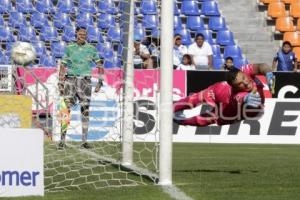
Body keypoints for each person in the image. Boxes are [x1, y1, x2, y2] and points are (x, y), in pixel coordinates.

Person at [173, 63, 274, 126]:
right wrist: (246, 99)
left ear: (244, 73)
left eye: (244, 78)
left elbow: (262, 66)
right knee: (196, 98)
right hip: (221, 91)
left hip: (228, 112)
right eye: (240, 84)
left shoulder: (245, 70)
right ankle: (172, 107)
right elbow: (239, 99)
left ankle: (181, 121)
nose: (246, 83)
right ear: (235, 87)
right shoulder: (238, 94)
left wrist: (269, 74)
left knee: (205, 120)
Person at [58, 27, 104, 149]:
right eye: (80, 34)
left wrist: (100, 81)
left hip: (85, 81)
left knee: (85, 110)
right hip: (71, 80)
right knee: (65, 109)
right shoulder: (69, 48)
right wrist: (60, 82)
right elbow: (63, 65)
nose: (82, 36)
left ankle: (84, 141)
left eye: (84, 34)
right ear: (76, 35)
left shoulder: (91, 49)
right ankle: (62, 141)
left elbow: (99, 65)